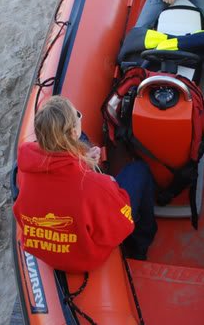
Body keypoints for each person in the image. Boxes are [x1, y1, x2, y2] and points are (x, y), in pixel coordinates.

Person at [13, 96, 157, 272]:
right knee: (139, 171)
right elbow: (120, 226)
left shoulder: (25, 167)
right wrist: (109, 183)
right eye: (78, 116)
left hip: (44, 248)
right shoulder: (97, 186)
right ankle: (140, 247)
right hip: (84, 257)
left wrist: (83, 160)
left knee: (85, 139)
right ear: (73, 132)